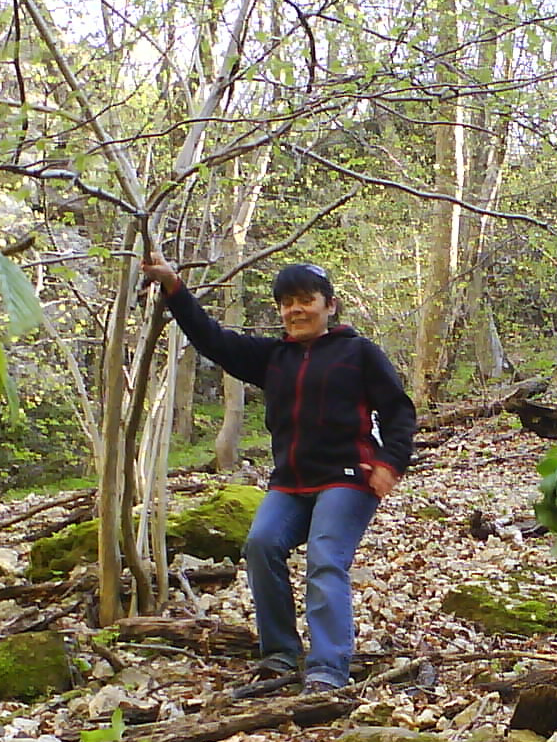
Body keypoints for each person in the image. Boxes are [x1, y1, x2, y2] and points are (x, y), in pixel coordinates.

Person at [140, 255, 415, 692]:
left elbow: (399, 410)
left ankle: (328, 668)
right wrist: (174, 287)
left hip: (347, 476)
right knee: (260, 545)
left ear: (330, 305)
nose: (295, 310)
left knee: (325, 560)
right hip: (290, 481)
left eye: (306, 300)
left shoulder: (358, 353)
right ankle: (281, 654)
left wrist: (390, 463)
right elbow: (214, 340)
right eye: (287, 303)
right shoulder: (273, 357)